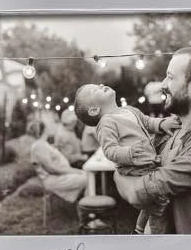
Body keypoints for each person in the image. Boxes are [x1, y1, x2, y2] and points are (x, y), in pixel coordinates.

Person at [113, 47, 191, 234]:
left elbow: (136, 192)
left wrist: (120, 175)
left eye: (170, 77)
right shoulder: (172, 127)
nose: (163, 84)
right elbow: (133, 167)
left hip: (179, 248)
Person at [74, 83, 180, 234]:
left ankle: (138, 230)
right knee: (159, 205)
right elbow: (109, 150)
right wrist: (129, 152)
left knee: (153, 203)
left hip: (147, 163)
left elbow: (147, 122)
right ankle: (156, 237)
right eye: (95, 89)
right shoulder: (106, 123)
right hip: (134, 168)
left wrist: (162, 123)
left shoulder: (129, 110)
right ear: (94, 110)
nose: (101, 85)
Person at [27, 121, 87, 203]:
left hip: (58, 176)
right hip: (53, 179)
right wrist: (75, 171)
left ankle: (83, 204)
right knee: (87, 178)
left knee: (87, 176)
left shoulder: (42, 143)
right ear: (45, 130)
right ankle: (87, 206)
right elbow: (52, 168)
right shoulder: (39, 146)